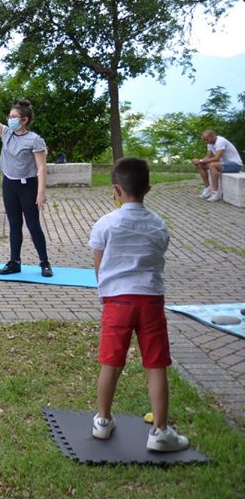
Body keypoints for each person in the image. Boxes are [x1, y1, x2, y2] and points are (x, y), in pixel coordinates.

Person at [88, 157, 189, 452]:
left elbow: (99, 267)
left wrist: (107, 292)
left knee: (111, 362)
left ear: (116, 190)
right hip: (151, 302)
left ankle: (103, 422)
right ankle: (160, 431)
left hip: (117, 302)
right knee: (156, 365)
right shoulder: (158, 225)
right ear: (149, 188)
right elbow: (157, 257)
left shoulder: (105, 224)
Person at [0, 83, 52, 277]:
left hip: (28, 186)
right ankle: (15, 262)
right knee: (14, 225)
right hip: (9, 185)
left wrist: (40, 192)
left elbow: (41, 167)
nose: (10, 119)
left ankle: (44, 263)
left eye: (14, 117)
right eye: (9, 116)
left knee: (33, 225)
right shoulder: (6, 133)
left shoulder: (34, 139)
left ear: (24, 120)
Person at [191, 130, 242, 203]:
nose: (206, 141)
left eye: (206, 139)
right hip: (223, 164)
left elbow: (216, 158)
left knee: (212, 165)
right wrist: (199, 161)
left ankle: (216, 193)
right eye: (204, 140)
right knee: (200, 165)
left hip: (235, 165)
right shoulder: (210, 143)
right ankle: (207, 189)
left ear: (212, 136)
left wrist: (201, 160)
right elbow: (208, 157)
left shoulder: (220, 141)